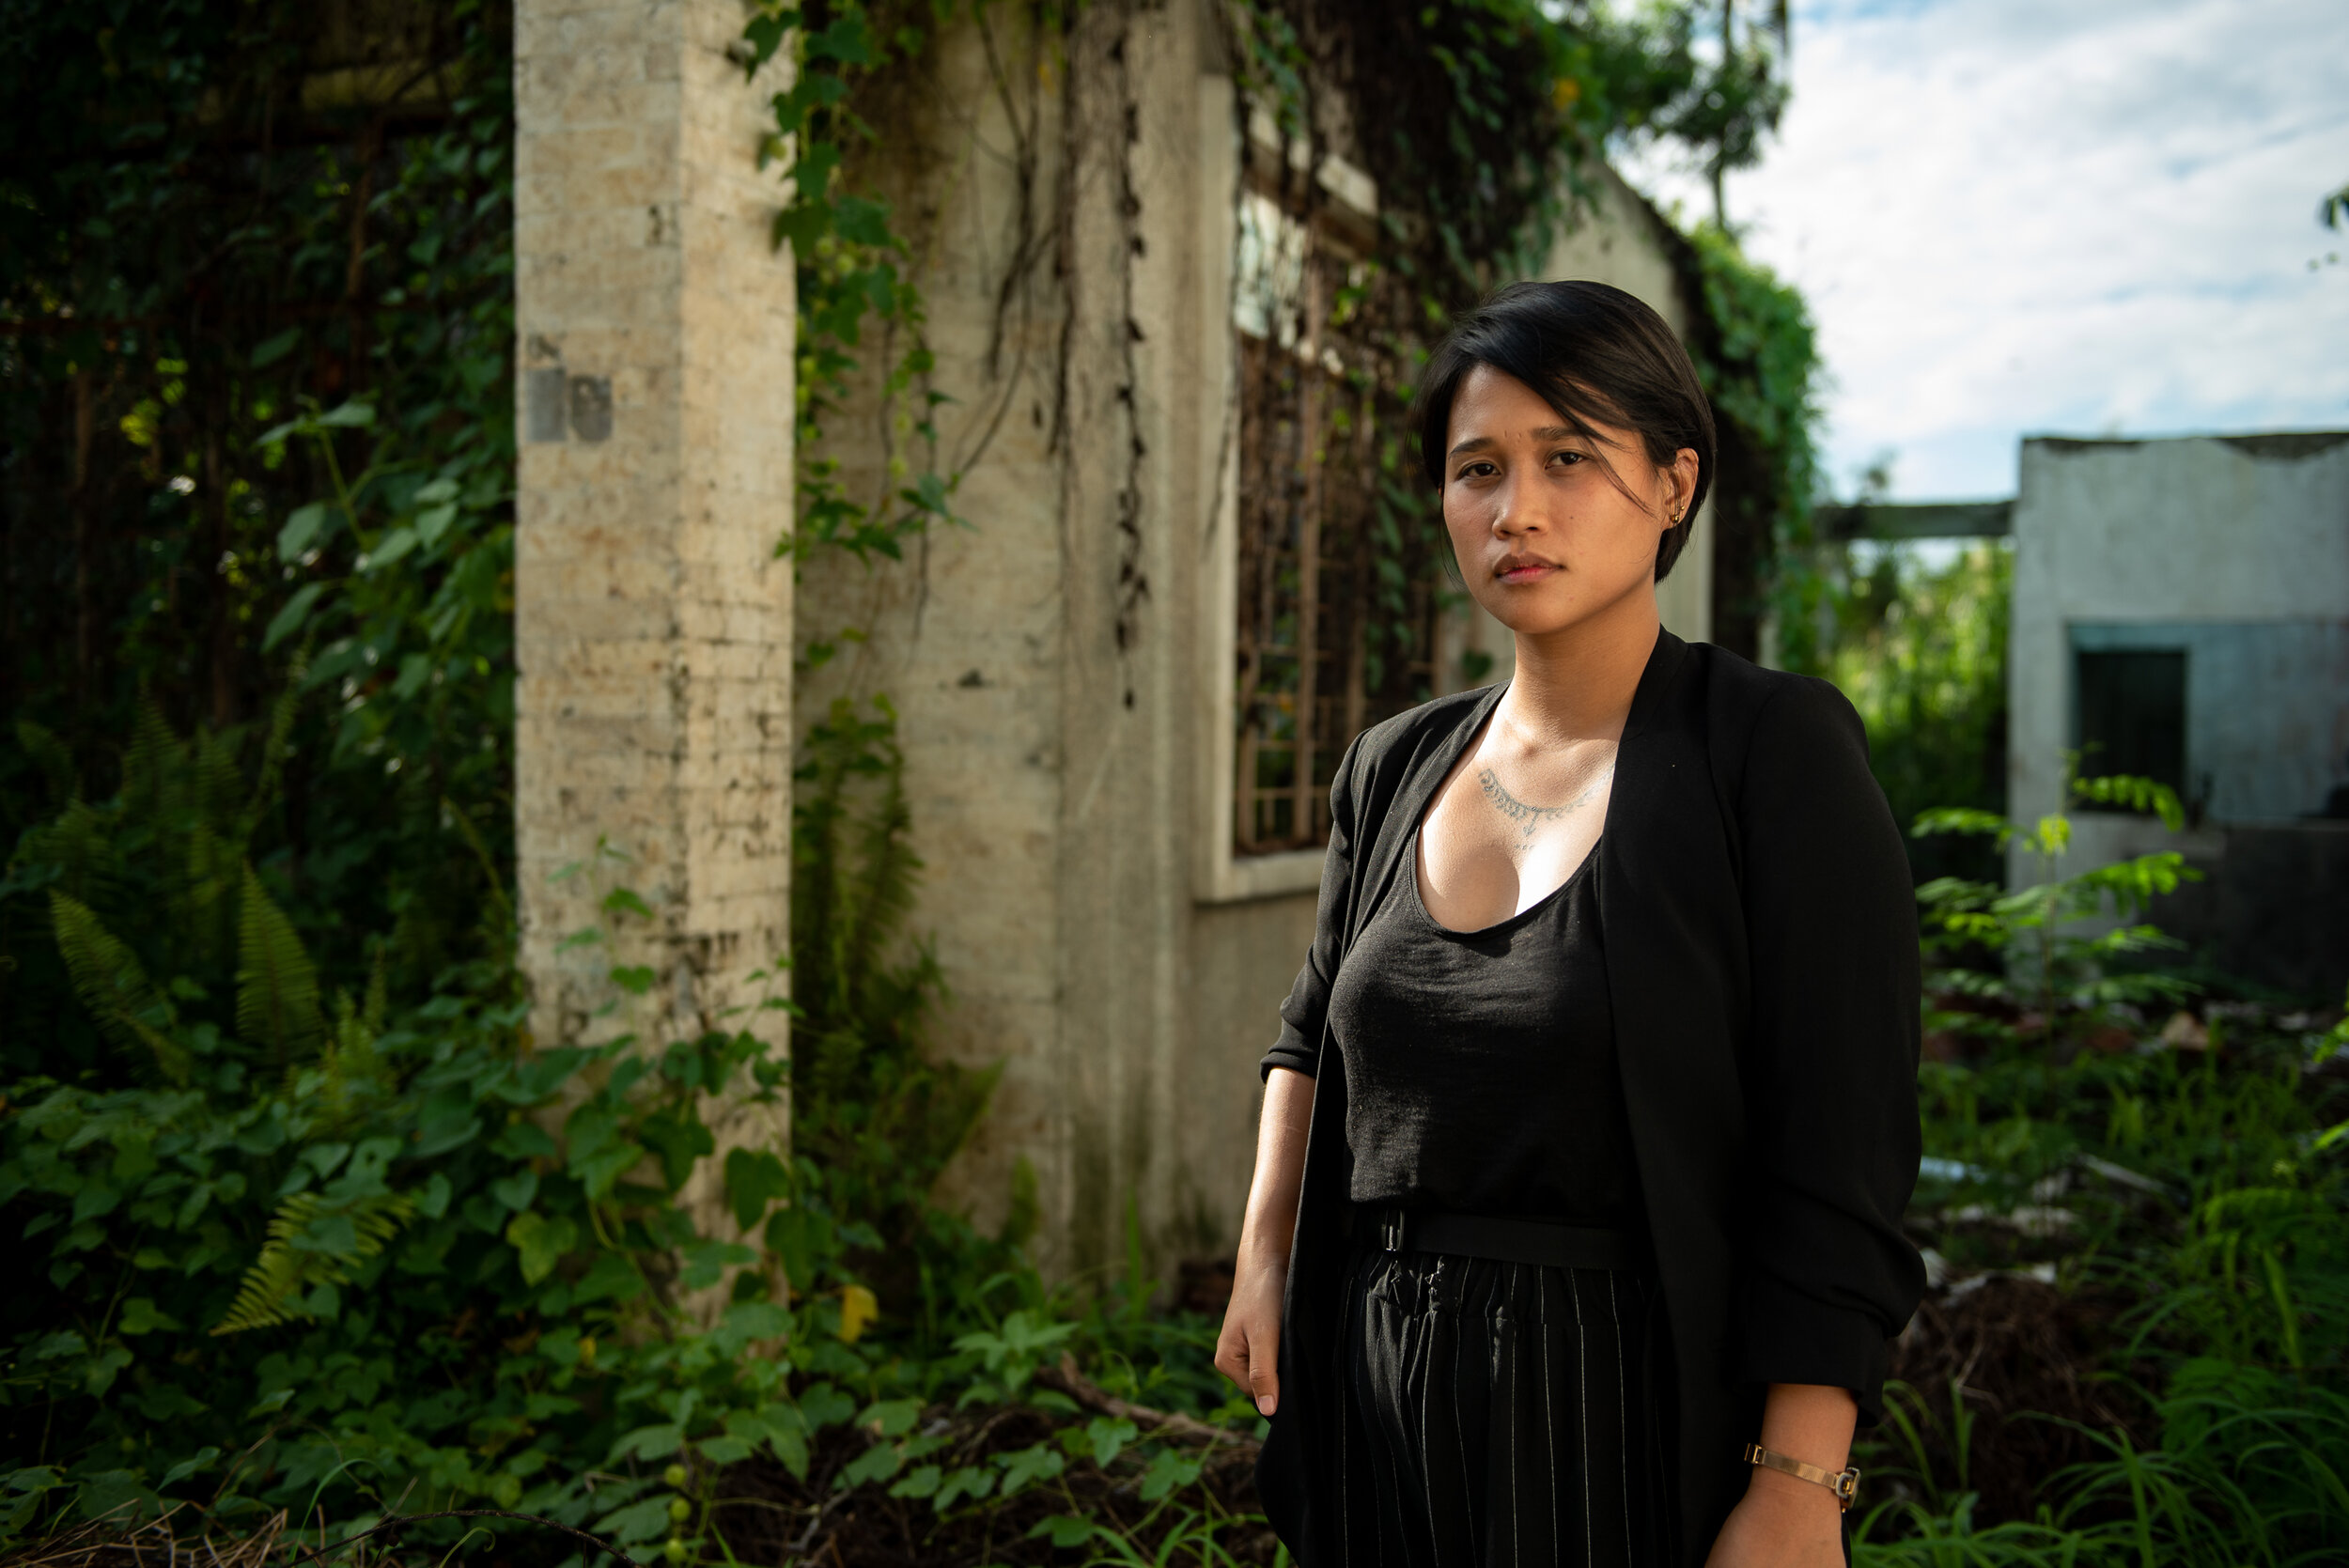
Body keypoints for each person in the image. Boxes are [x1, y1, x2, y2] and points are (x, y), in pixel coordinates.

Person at [1214, 280, 1925, 1568]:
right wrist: (1265, 1252)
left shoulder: (1767, 754)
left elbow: (1845, 1141)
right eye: (1476, 469)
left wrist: (1799, 1484)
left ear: (1672, 482)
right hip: (1376, 1386)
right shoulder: (1393, 767)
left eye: (1570, 458)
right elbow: (1309, 1031)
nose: (1516, 509)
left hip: (1621, 1402)